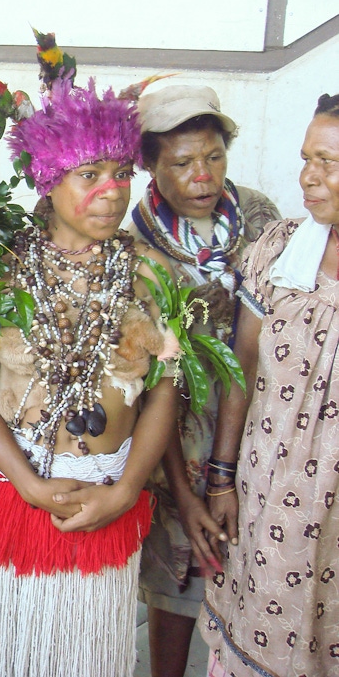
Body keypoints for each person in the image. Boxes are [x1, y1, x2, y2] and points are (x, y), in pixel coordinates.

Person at [0, 42, 181, 677]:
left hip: (110, 490)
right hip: (14, 488)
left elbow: (166, 391)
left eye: (121, 175)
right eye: (90, 176)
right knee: (6, 649)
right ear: (47, 179)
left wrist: (129, 488)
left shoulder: (149, 273)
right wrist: (25, 482)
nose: (112, 192)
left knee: (87, 651)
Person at [128, 85, 281, 677]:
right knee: (176, 570)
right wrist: (187, 489)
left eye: (214, 157)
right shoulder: (136, 244)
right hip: (171, 436)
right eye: (183, 162)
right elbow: (145, 379)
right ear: (149, 164)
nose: (203, 176)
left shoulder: (262, 220)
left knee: (250, 559)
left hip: (257, 426)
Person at [200, 93, 339, 677]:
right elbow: (244, 361)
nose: (307, 177)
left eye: (328, 163)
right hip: (269, 496)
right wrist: (222, 476)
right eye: (306, 158)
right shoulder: (281, 249)